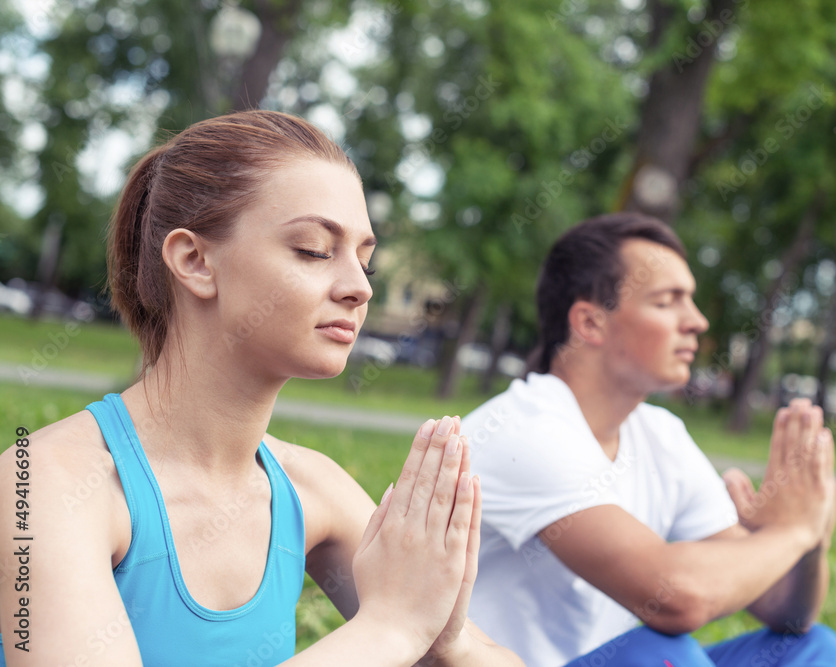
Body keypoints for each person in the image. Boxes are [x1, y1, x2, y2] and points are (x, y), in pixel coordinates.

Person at [0, 111, 523, 667]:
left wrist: (445, 639)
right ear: (195, 261)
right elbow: (394, 624)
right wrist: (391, 629)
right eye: (315, 250)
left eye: (365, 261)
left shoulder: (312, 487)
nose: (357, 288)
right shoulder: (43, 485)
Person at [463, 213, 836, 667]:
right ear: (591, 322)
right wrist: (793, 533)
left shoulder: (659, 434)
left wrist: (809, 537)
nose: (697, 321)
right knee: (659, 654)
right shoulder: (525, 432)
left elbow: (784, 609)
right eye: (668, 302)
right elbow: (677, 599)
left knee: (815, 649)